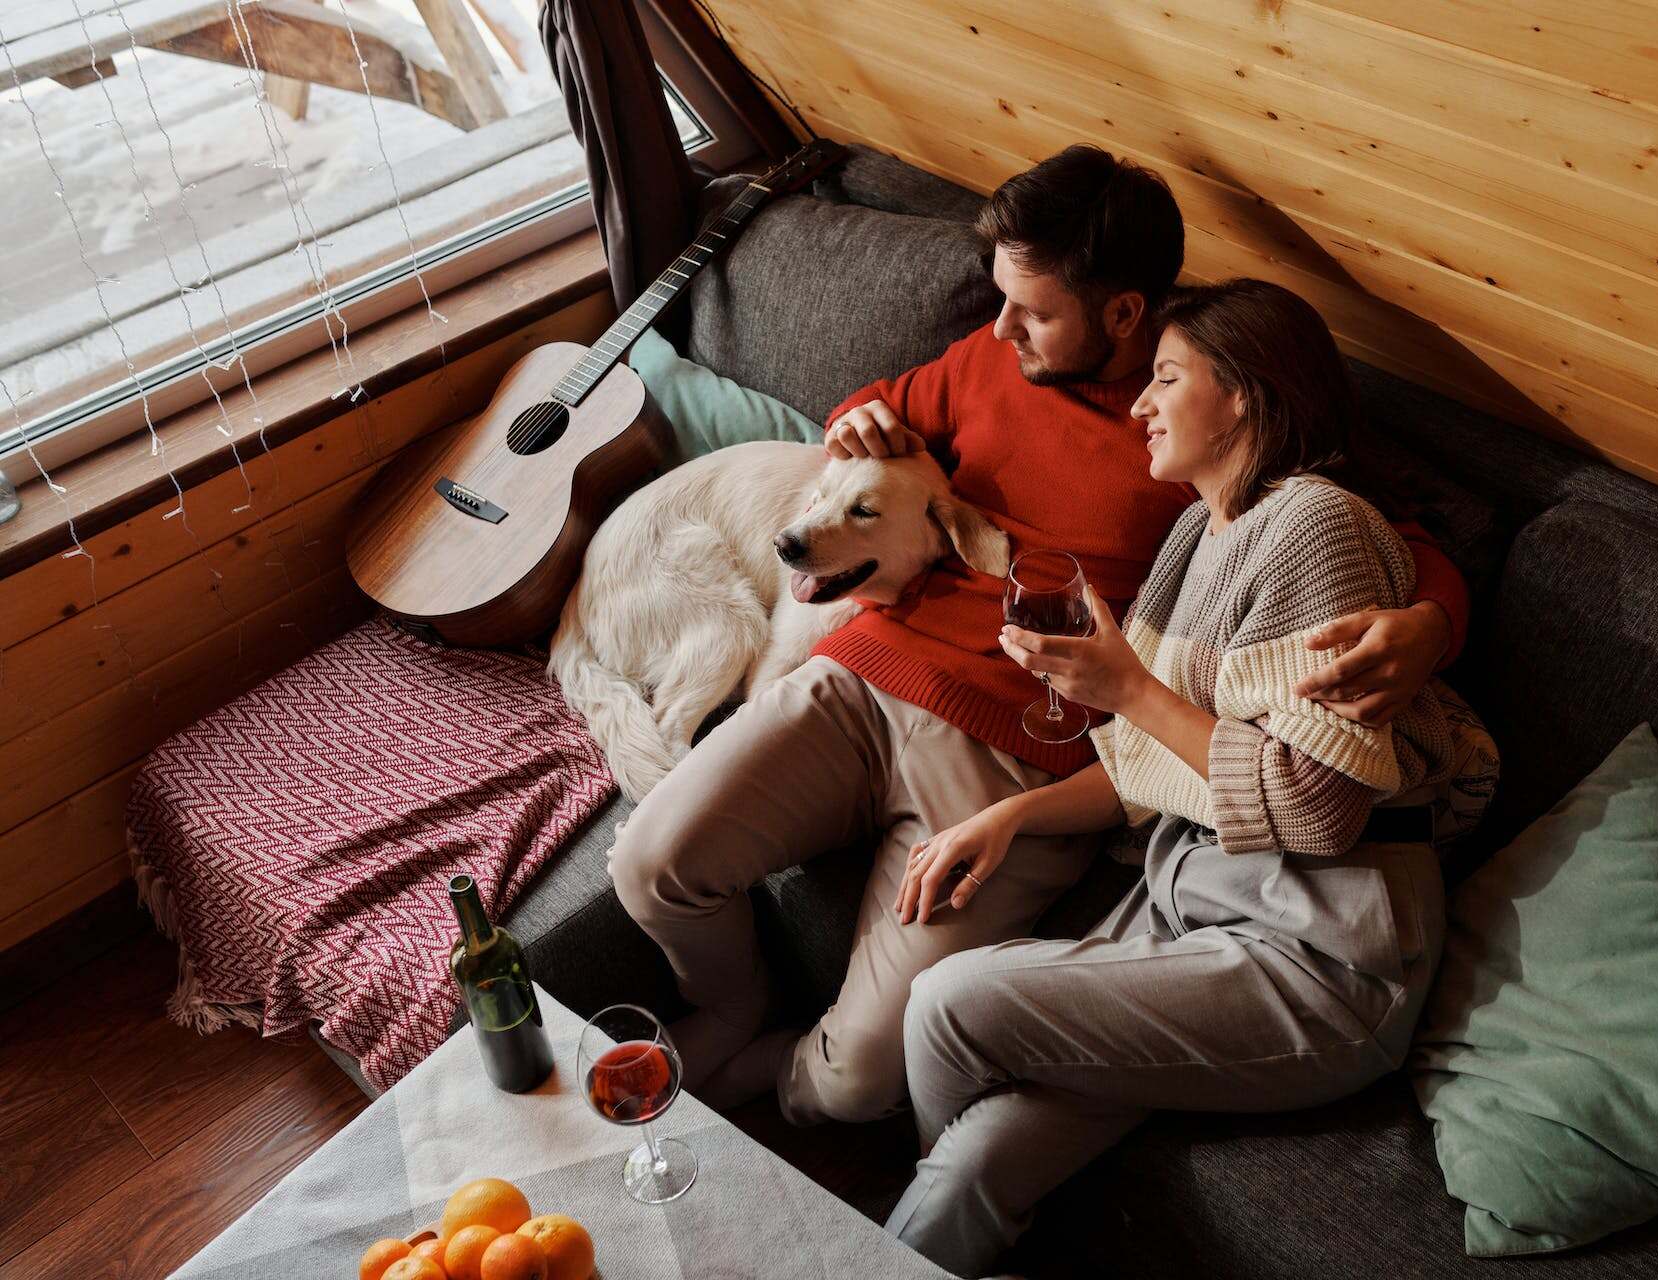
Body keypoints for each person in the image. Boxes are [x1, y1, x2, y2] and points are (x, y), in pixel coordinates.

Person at [604, 147, 1471, 1128]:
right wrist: (860, 418)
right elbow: (881, 410)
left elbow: (1396, 532)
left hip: (1022, 760)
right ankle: (734, 1000)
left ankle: (781, 1073)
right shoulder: (991, 352)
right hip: (864, 678)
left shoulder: (1206, 412)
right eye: (1000, 300)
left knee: (854, 1088)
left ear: (1125, 314)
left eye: (1034, 310)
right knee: (648, 864)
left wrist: (1429, 624)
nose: (1002, 326)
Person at [882, 278, 1498, 1277]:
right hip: (1193, 904)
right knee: (969, 1167)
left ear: (1247, 392)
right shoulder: (1190, 537)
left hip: (1322, 952)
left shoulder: (1319, 529)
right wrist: (1011, 816)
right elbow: (1154, 766)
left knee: (951, 1000)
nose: (1138, 403)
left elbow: (1317, 807)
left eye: (1167, 377)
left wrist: (1128, 686)